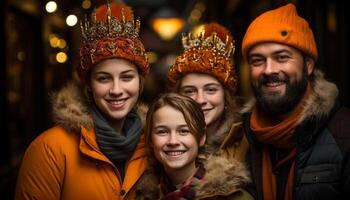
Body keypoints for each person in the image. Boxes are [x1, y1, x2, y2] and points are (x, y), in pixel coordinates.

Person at [15, 2, 149, 199]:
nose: (116, 90)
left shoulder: (154, 146)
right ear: (89, 86)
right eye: (103, 78)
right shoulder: (50, 149)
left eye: (127, 77)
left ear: (140, 83)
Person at [240, 3, 350, 200]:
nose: (269, 70)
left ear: (308, 65)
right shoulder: (239, 139)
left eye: (282, 57)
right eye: (258, 60)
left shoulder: (344, 133)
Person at [135, 92, 252, 199]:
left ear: (201, 138)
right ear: (150, 140)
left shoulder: (233, 197)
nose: (173, 141)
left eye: (184, 131)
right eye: (162, 132)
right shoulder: (142, 196)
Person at [167, 23, 249, 163]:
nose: (200, 100)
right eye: (190, 91)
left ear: (225, 95)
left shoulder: (247, 143)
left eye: (210, 89)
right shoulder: (165, 141)